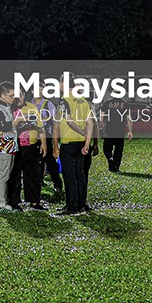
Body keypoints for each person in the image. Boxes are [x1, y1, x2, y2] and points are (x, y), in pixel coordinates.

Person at [52, 87, 93, 216]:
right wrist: (87, 142)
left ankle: (72, 208)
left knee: (69, 176)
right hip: (81, 143)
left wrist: (55, 146)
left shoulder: (64, 100)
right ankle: (81, 206)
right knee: (79, 175)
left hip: (68, 142)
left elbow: (65, 122)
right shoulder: (84, 101)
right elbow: (90, 123)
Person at [12, 93, 48, 211]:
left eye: (20, 95)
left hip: (32, 146)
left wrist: (43, 144)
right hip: (16, 147)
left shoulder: (32, 108)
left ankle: (34, 202)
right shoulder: (10, 108)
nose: (18, 98)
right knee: (15, 176)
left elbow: (40, 127)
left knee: (34, 175)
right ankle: (14, 203)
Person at [0, 82, 19, 211]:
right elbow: (3, 127)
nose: (13, 98)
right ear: (2, 95)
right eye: (11, 95)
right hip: (2, 146)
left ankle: (3, 201)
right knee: (2, 175)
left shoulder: (6, 106)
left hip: (9, 145)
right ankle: (0, 203)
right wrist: (17, 121)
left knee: (6, 175)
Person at [101, 96, 132, 173]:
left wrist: (101, 124)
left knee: (107, 148)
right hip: (120, 129)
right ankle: (116, 166)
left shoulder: (107, 102)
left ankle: (110, 159)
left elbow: (102, 114)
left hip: (109, 129)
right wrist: (130, 131)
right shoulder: (124, 103)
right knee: (119, 149)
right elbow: (129, 118)